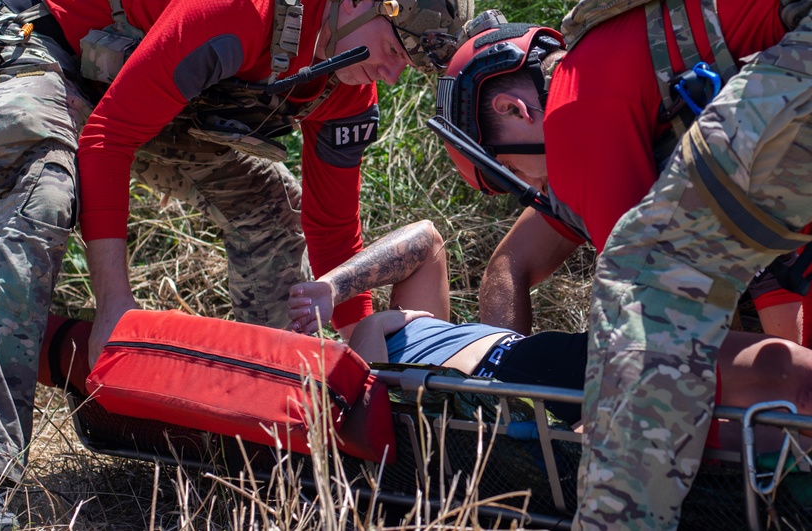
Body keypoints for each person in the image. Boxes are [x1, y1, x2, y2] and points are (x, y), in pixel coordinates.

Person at [0, 0, 473, 529]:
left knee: (270, 205)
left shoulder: (348, 83)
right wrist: (114, 309)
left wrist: (355, 361)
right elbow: (107, 140)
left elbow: (332, 229)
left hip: (137, 90)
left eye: (410, 64)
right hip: (47, 50)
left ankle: (281, 439)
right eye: (393, 50)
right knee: (42, 196)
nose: (392, 74)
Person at [437, 0, 812, 529]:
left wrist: (605, 410)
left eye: (507, 176)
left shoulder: (572, 116)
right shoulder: (627, 79)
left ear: (510, 108)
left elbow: (651, 307)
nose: (527, 190)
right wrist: (513, 401)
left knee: (650, 309)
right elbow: (510, 261)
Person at [289, 220, 812, 433]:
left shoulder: (404, 338)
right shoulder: (357, 364)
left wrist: (335, 285)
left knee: (771, 397)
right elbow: (367, 377)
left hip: (524, 366)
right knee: (784, 377)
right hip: (514, 374)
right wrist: (359, 323)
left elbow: (425, 240)